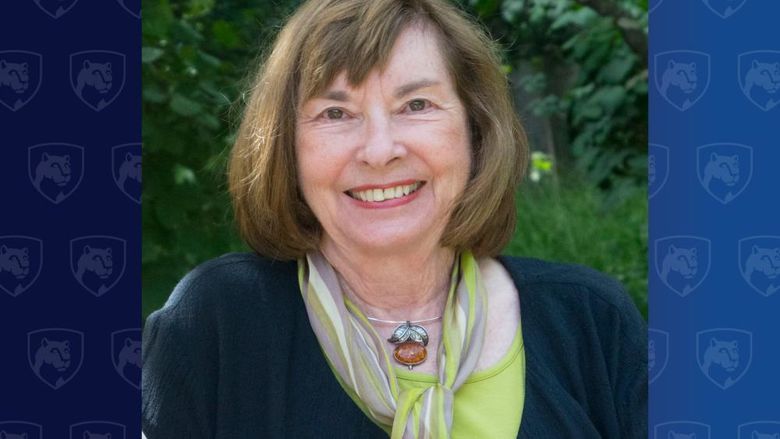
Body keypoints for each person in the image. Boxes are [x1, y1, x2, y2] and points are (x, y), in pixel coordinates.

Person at [141, 0, 647, 437]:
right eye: (335, 114)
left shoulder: (591, 321)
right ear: (287, 148)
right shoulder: (218, 322)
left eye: (416, 104)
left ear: (475, 129)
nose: (380, 150)